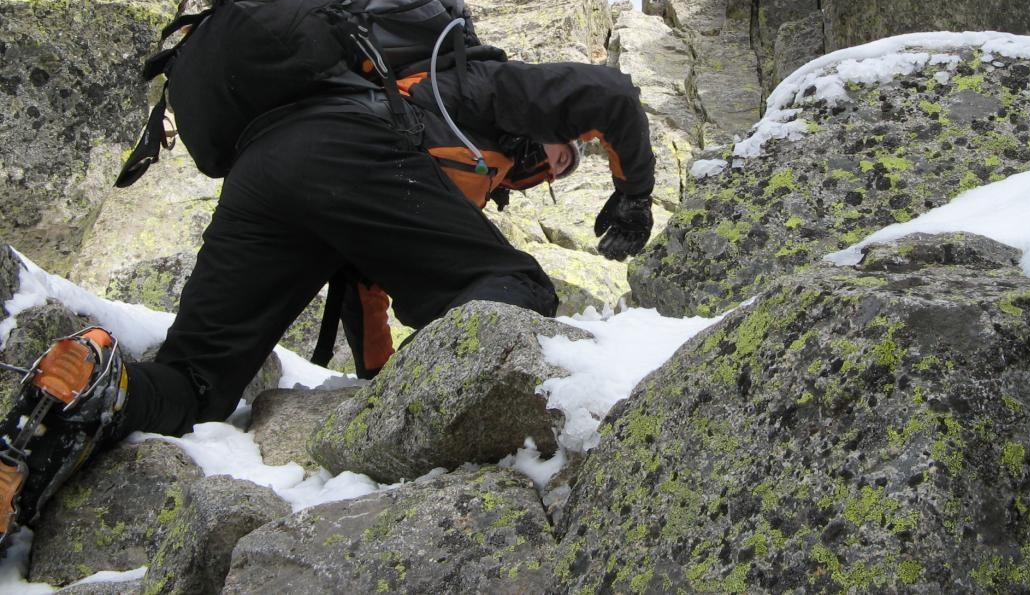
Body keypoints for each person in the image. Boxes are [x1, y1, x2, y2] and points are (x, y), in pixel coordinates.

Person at [0, 56, 656, 544]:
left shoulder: (460, 164)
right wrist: (633, 194)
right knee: (523, 286)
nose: (565, 160)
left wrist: (380, 387)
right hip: (350, 147)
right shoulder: (485, 86)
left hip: (267, 171)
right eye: (566, 148)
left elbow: (367, 287)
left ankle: (91, 383)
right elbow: (612, 95)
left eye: (573, 164)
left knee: (197, 383)